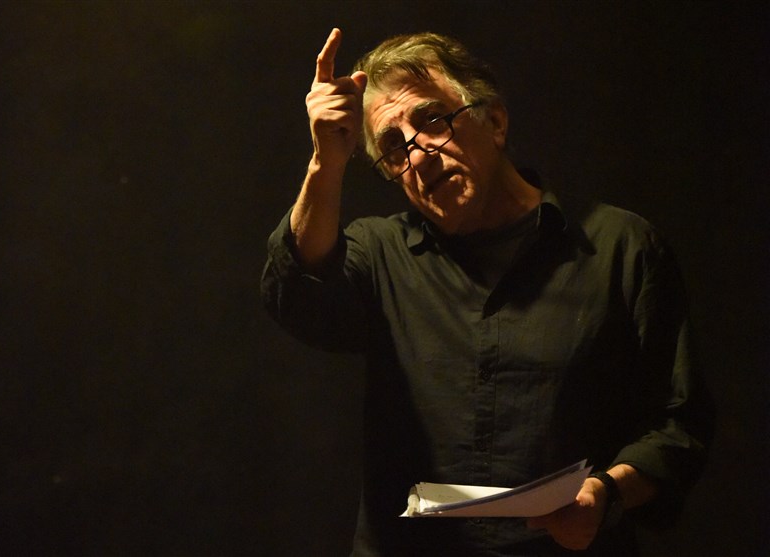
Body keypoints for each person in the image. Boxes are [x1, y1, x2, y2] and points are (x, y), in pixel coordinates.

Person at [261, 28, 712, 556]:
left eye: (432, 119)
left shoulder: (619, 246)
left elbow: (677, 425)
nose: (418, 155)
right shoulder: (380, 254)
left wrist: (606, 493)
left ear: (494, 122)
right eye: (393, 147)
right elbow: (296, 291)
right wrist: (327, 161)